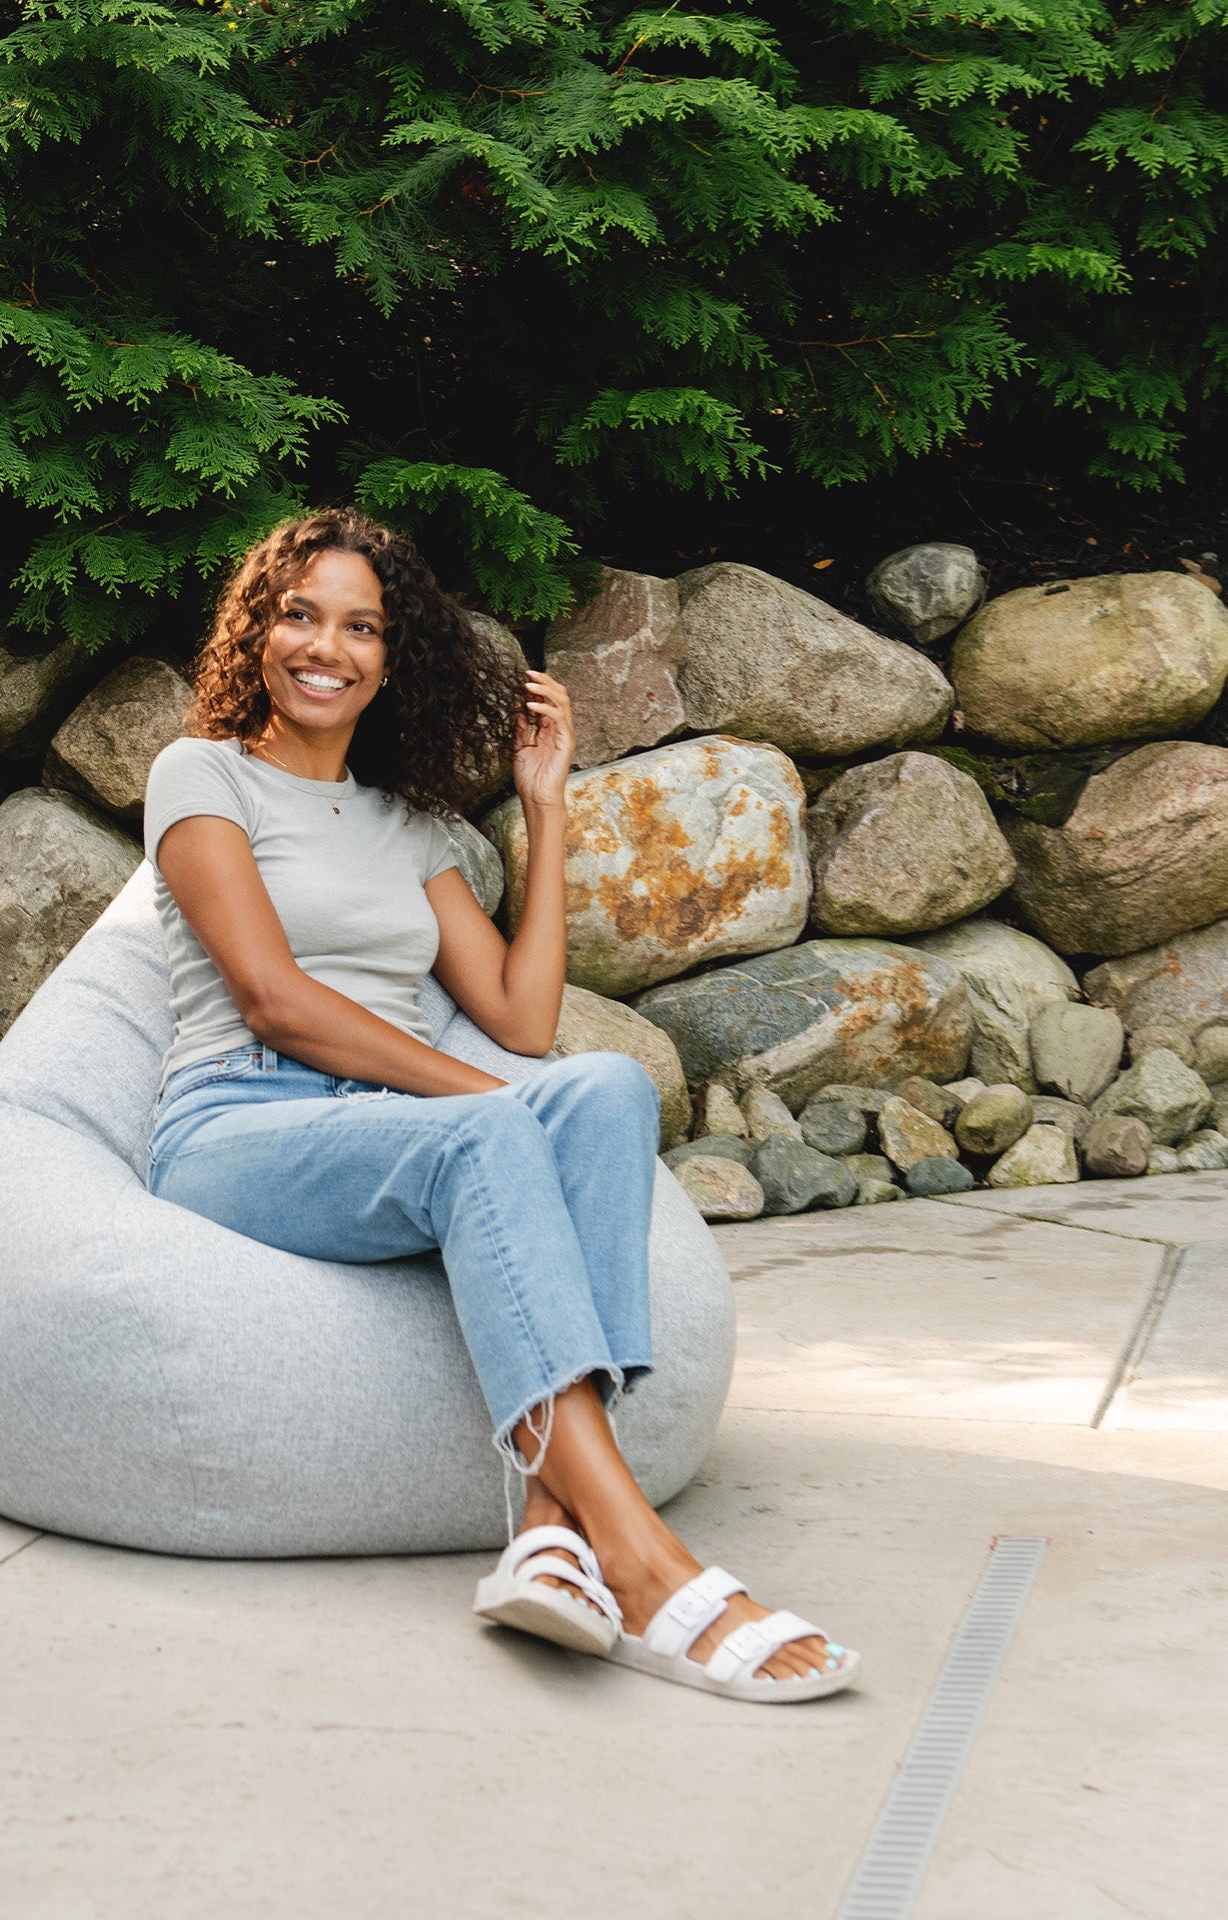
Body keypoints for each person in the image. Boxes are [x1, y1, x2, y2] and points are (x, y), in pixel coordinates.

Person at [142, 508, 858, 1702]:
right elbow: (273, 999)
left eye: (361, 626)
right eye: (300, 614)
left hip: (393, 1125)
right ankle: (637, 1553)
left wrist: (545, 807)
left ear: (393, 654)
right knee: (497, 1118)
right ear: (257, 632)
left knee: (607, 1086)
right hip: (239, 1123)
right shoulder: (201, 774)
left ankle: (550, 1526)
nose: (327, 647)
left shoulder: (411, 826)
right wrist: (486, 1104)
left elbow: (525, 1020)